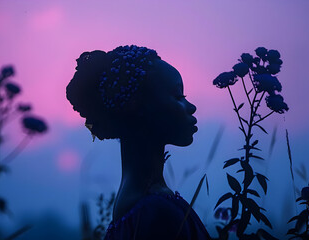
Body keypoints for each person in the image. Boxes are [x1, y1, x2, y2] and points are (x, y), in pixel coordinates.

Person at [66, 45, 211, 240]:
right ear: (139, 108)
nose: (191, 107)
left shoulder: (139, 203)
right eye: (179, 96)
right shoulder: (156, 212)